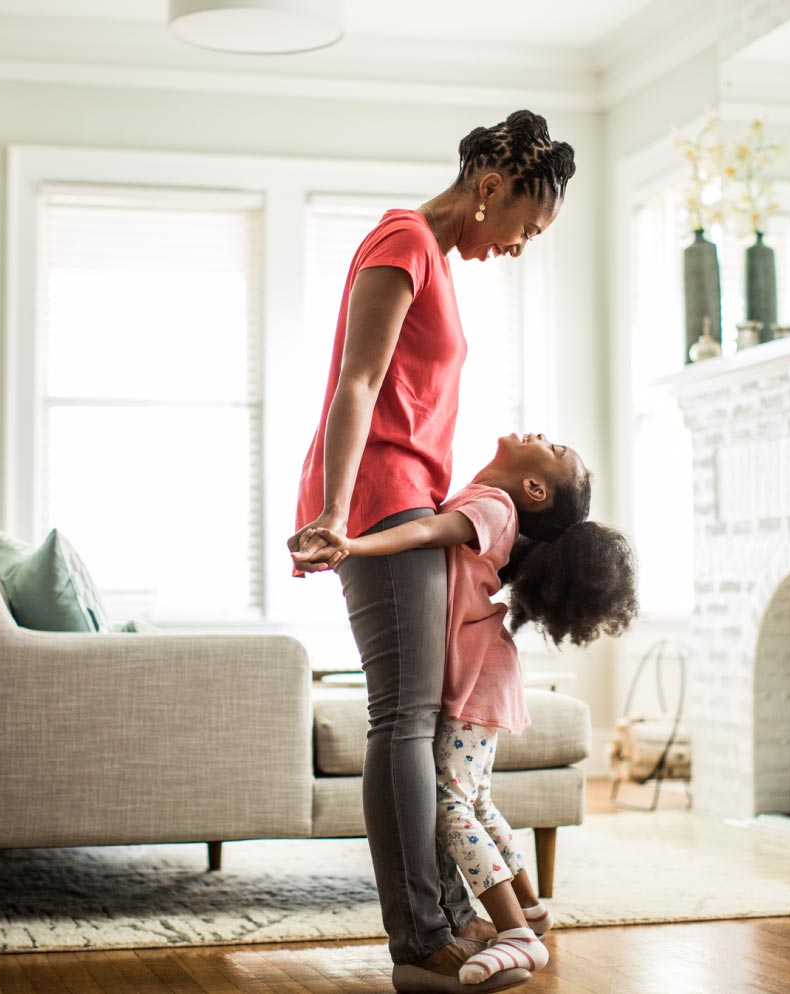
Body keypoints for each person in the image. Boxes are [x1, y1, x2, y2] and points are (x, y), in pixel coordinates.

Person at [288, 112, 576, 994]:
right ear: (491, 189)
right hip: (378, 501)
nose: (520, 246)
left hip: (401, 498)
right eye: (526, 226)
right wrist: (339, 514)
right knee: (405, 722)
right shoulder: (404, 237)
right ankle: (419, 934)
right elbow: (358, 382)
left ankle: (442, 917)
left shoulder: (434, 259)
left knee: (412, 721)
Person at [295, 432, 638, 986]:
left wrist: (353, 543)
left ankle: (516, 935)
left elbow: (428, 531)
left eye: (553, 450)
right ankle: (529, 908)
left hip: (478, 675)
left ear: (533, 488)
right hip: (485, 672)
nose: (541, 437)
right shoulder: (492, 502)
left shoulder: (494, 506)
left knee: (451, 804)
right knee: (473, 798)